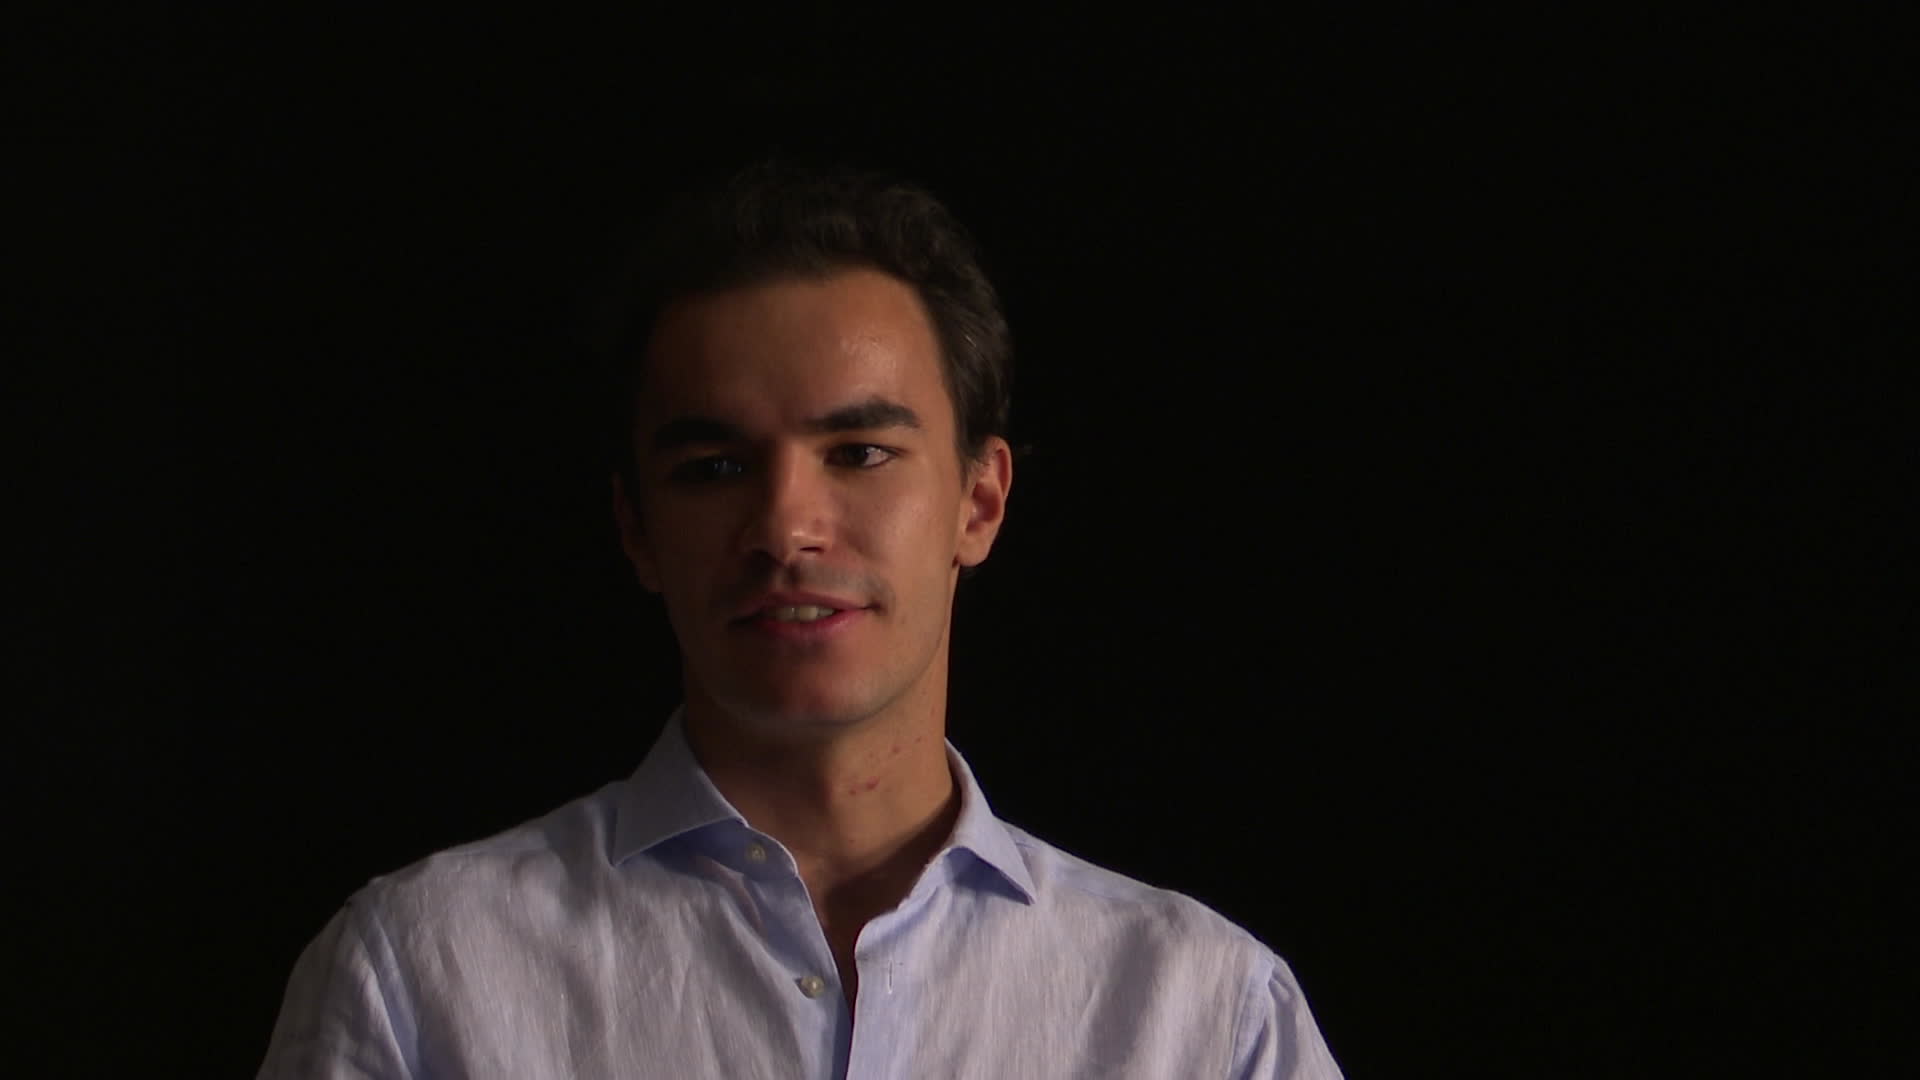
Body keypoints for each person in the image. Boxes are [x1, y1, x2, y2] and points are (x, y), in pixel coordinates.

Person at [256, 162, 1344, 1078]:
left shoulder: (1206, 1014)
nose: (785, 527)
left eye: (860, 453)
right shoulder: (419, 974)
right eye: (715, 467)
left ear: (979, 501)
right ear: (636, 528)